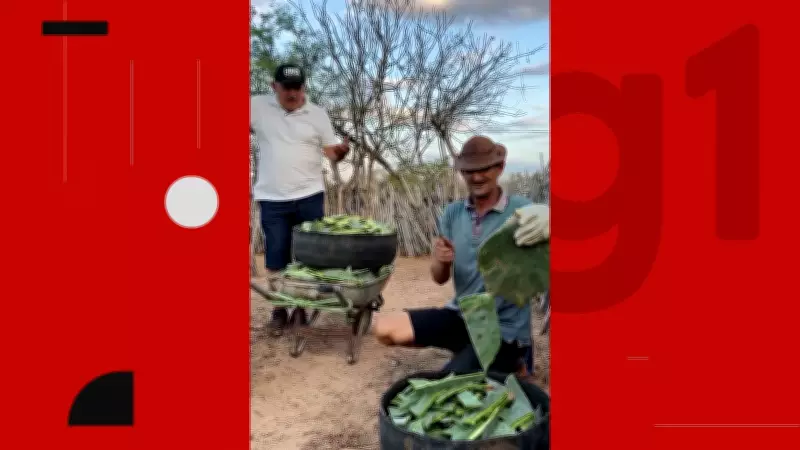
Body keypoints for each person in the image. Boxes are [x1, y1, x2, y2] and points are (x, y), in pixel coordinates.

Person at [372, 135, 550, 375]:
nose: (477, 177)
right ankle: (469, 352)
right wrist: (441, 261)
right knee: (384, 327)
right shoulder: (453, 213)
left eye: (484, 169)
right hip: (464, 315)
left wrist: (550, 218)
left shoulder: (521, 210)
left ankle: (511, 362)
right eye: (469, 171)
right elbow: (439, 278)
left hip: (505, 328)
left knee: (448, 384)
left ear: (500, 168)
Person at [250, 63, 350, 336]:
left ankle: (300, 310)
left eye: (297, 88)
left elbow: (331, 153)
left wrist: (342, 152)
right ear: (274, 86)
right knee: (276, 257)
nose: (292, 94)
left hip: (309, 195)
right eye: (286, 88)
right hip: (272, 197)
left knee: (308, 257)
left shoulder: (317, 114)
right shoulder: (256, 106)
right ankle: (279, 309)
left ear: (304, 87)